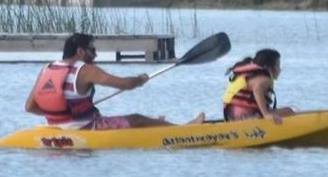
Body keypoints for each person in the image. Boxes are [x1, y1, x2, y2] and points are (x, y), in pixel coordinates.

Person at [25, 33, 205, 130]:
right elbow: (125, 84)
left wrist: (65, 115)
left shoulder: (47, 69)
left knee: (137, 121)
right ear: (80, 51)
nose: (95, 55)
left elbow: (30, 107)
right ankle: (184, 130)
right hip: (85, 127)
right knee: (137, 118)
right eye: (92, 50)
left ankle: (156, 125)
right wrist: (140, 79)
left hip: (56, 127)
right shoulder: (86, 70)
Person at [222, 48, 296, 124]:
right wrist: (266, 114)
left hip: (231, 117)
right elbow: (257, 89)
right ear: (267, 67)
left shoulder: (249, 75)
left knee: (276, 111)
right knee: (289, 111)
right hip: (245, 117)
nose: (280, 69)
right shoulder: (265, 78)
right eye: (277, 65)